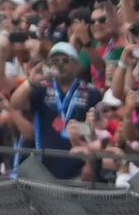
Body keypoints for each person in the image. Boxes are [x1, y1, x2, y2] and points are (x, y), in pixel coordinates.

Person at [9, 41, 103, 180]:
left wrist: (89, 163)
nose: (59, 64)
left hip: (78, 169)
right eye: (54, 60)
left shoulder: (91, 92)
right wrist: (30, 82)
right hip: (44, 168)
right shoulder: (42, 89)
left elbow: (97, 129)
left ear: (76, 64)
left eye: (65, 60)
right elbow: (15, 104)